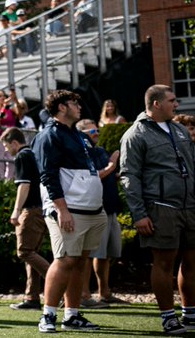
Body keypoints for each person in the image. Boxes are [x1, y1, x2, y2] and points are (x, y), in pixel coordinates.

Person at [119, 84, 194, 335]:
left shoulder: (179, 129)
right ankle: (168, 317)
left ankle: (190, 313)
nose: (177, 105)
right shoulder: (135, 134)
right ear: (156, 104)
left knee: (192, 261)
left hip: (190, 206)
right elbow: (129, 176)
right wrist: (139, 215)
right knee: (164, 263)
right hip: (160, 208)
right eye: (172, 100)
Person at [32, 89, 105, 333]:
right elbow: (48, 176)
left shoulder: (78, 135)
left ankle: (72, 316)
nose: (79, 106)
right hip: (68, 210)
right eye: (74, 102)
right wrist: (61, 209)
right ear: (62, 107)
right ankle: (48, 315)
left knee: (80, 262)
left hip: (91, 209)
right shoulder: (48, 135)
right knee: (65, 260)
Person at [1, 127, 51, 311]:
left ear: (14, 142)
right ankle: (32, 297)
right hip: (41, 209)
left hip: (31, 210)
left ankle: (60, 285)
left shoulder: (22, 156)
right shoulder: (33, 153)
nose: (6, 150)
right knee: (32, 253)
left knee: (25, 252)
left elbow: (24, 185)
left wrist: (16, 211)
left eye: (6, 146)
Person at [75, 119, 122, 310]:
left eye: (97, 130)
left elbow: (108, 174)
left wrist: (117, 174)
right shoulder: (82, 152)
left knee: (106, 254)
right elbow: (93, 176)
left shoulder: (100, 151)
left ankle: (105, 293)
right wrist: (111, 166)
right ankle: (84, 295)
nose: (97, 134)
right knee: (90, 254)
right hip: (95, 209)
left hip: (110, 208)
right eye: (92, 131)